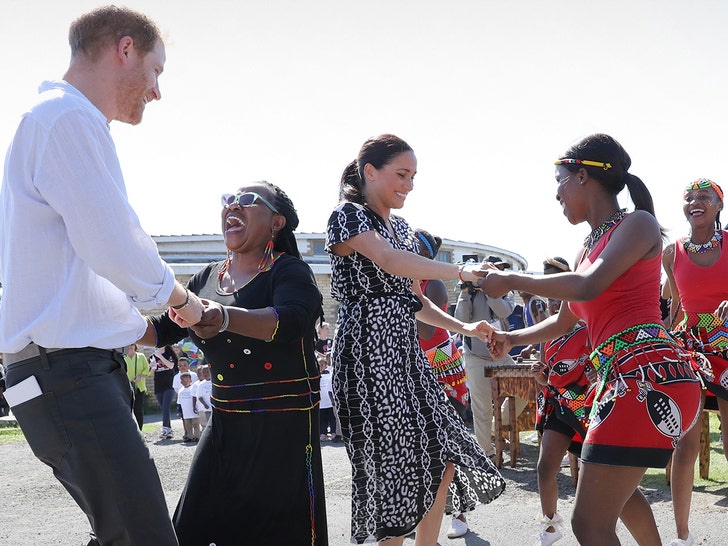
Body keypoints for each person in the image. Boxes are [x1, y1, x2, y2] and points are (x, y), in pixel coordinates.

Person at [0, 6, 205, 546]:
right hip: (67, 374)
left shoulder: (55, 120)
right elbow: (112, 243)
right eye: (157, 71)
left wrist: (150, 330)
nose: (157, 91)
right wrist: (183, 302)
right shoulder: (67, 119)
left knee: (121, 534)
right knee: (144, 538)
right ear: (124, 49)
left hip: (65, 371)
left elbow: (79, 274)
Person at [483, 133, 702, 546]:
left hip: (645, 376)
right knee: (616, 496)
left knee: (588, 524)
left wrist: (512, 278)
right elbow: (566, 321)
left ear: (583, 176)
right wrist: (510, 336)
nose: (557, 193)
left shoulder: (638, 223)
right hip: (622, 379)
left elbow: (586, 286)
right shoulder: (588, 247)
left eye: (560, 179)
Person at [326, 134, 505, 545]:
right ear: (370, 172)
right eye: (401, 174)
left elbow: (414, 299)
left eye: (413, 176)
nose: (408, 185)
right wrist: (461, 272)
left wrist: (465, 328)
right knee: (394, 471)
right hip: (367, 357)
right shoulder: (348, 216)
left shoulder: (403, 228)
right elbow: (388, 261)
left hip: (406, 359)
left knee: (442, 455)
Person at [139, 181, 329, 545]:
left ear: (276, 223)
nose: (232, 207)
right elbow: (161, 331)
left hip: (283, 428)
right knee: (192, 526)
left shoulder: (290, 272)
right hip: (225, 423)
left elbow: (291, 321)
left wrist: (224, 317)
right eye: (228, 201)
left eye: (246, 201)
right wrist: (111, 325)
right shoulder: (206, 277)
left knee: (277, 533)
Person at [662, 178, 728, 546]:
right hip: (689, 349)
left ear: (719, 206)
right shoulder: (671, 253)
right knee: (683, 443)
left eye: (704, 196)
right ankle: (682, 536)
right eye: (689, 198)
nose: (695, 202)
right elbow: (674, 307)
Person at [529, 258, 593, 546]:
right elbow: (546, 377)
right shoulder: (547, 331)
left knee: (599, 477)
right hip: (559, 408)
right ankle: (551, 525)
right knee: (545, 467)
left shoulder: (589, 325)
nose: (552, 299)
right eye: (548, 291)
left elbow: (602, 365)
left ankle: (601, 525)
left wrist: (595, 372)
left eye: (556, 288)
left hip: (590, 411)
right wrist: (540, 378)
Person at [413, 229, 472, 539]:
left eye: (411, 245)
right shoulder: (406, 281)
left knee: (446, 449)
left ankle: (460, 513)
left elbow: (424, 330)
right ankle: (425, 517)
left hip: (442, 370)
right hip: (416, 370)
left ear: (424, 253)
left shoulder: (431, 284)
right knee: (422, 450)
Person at [454, 256, 524, 463]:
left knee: (525, 387)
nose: (496, 275)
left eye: (499, 270)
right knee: (481, 406)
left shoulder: (506, 292)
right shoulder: (470, 291)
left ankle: (496, 428)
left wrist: (489, 290)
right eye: (492, 271)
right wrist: (466, 292)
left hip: (500, 353)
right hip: (476, 355)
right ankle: (486, 452)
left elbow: (505, 311)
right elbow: (462, 320)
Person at [151, 344, 179, 440]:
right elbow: (151, 372)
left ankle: (164, 428)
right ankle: (169, 429)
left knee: (166, 406)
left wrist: (160, 356)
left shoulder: (169, 353)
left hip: (169, 384)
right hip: (158, 384)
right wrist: (152, 367)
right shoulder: (153, 355)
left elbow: (171, 366)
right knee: (163, 408)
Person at [124, 343, 151, 430]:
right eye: (128, 344)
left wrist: (141, 376)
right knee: (127, 410)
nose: (130, 346)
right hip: (126, 387)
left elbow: (147, 369)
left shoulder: (141, 356)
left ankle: (140, 430)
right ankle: (130, 430)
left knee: (138, 410)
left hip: (139, 387)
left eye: (132, 344)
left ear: (135, 346)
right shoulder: (123, 357)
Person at [176, 372, 200, 442]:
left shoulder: (193, 389)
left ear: (190, 380)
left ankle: (197, 437)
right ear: (181, 382)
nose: (185, 382)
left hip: (194, 411)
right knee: (188, 425)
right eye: (183, 381)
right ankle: (190, 437)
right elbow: (179, 403)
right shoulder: (180, 391)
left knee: (196, 425)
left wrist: (196, 407)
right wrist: (179, 412)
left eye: (187, 380)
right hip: (186, 412)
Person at [193, 364, 212, 429]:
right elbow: (199, 396)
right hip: (207, 409)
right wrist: (204, 404)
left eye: (207, 372)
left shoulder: (214, 382)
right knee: (208, 424)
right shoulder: (201, 384)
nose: (205, 374)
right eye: (203, 372)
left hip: (215, 408)